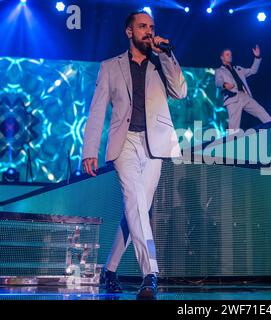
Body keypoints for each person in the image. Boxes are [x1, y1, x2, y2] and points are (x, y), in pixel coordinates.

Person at [81, 11, 187, 299]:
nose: (148, 32)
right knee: (136, 204)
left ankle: (110, 270)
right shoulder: (110, 67)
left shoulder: (159, 62)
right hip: (123, 143)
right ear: (129, 32)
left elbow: (180, 91)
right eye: (142, 27)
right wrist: (89, 149)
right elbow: (97, 110)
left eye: (151, 27)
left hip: (155, 145)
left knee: (136, 210)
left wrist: (166, 53)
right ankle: (151, 273)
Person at [215, 46, 271, 131]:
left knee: (261, 111)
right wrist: (225, 84)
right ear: (222, 57)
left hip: (244, 96)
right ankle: (231, 142)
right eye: (227, 54)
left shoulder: (238, 68)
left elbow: (253, 70)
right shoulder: (219, 71)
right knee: (233, 127)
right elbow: (218, 82)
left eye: (230, 54)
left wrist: (257, 57)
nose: (230, 56)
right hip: (232, 98)